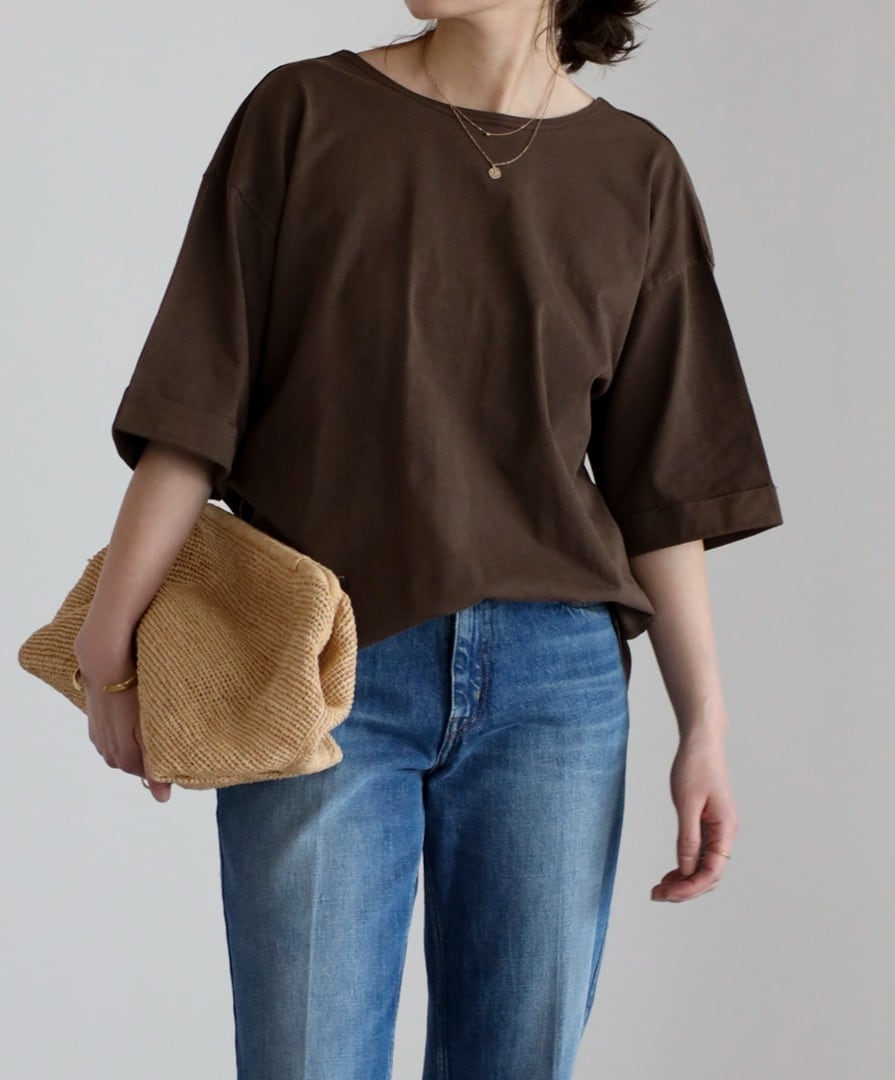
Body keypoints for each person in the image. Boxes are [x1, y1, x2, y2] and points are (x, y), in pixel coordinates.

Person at [74, 2, 784, 1077]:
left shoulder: (637, 172)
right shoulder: (303, 114)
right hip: (323, 671)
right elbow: (195, 406)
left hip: (557, 692)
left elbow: (664, 490)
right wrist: (110, 637)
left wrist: (706, 731)